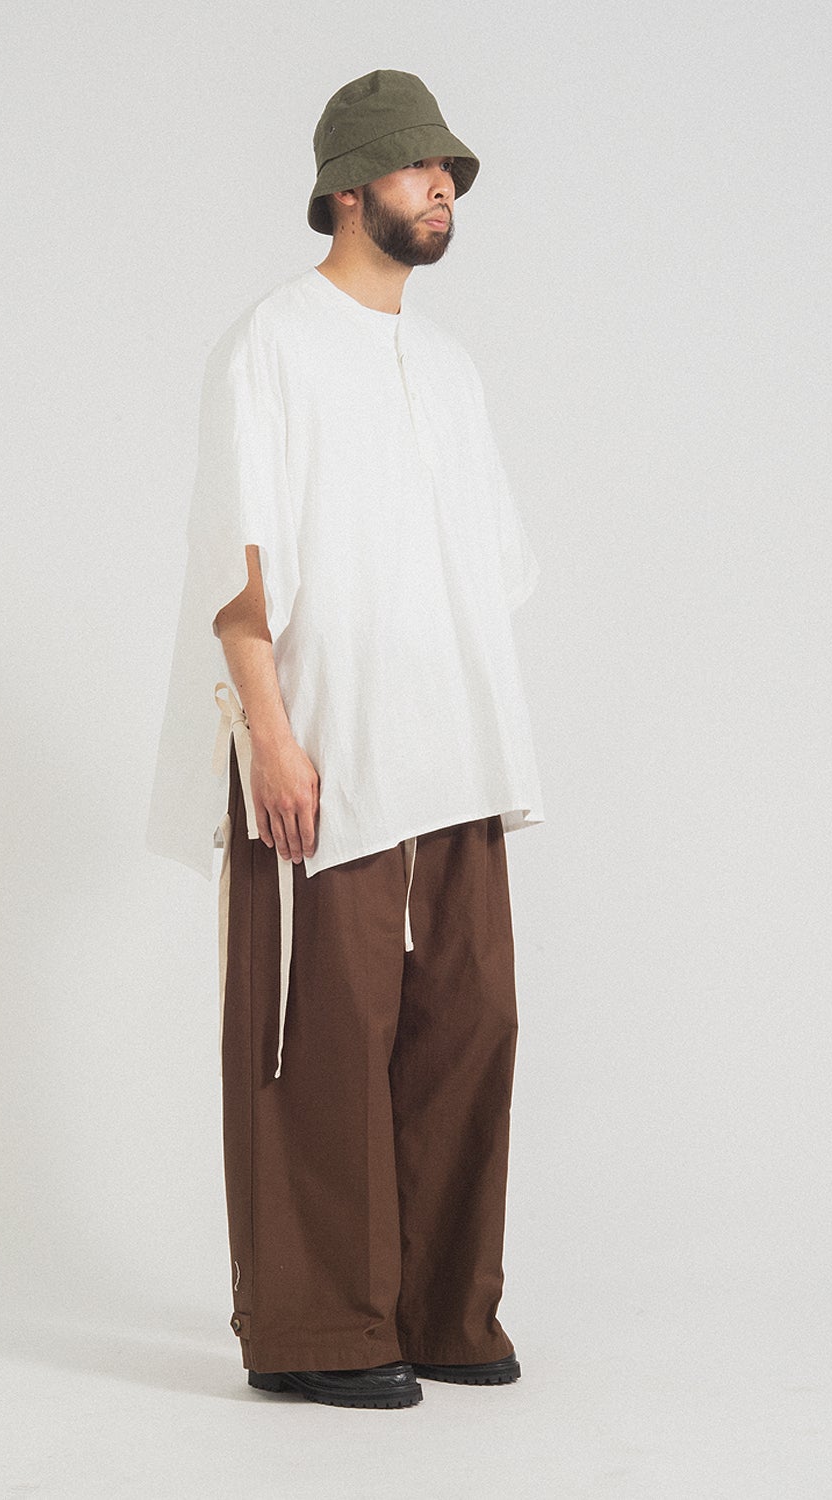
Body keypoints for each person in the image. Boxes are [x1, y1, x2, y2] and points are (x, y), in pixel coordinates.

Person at [146, 69, 545, 1410]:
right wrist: (272, 736)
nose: (444, 189)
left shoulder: (450, 369)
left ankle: (443, 1307)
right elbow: (238, 565)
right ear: (347, 186)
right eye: (420, 168)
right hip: (324, 746)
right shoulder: (271, 344)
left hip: (460, 749)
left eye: (451, 174)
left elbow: (489, 570)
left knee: (470, 1018)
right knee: (322, 1031)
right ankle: (321, 1328)